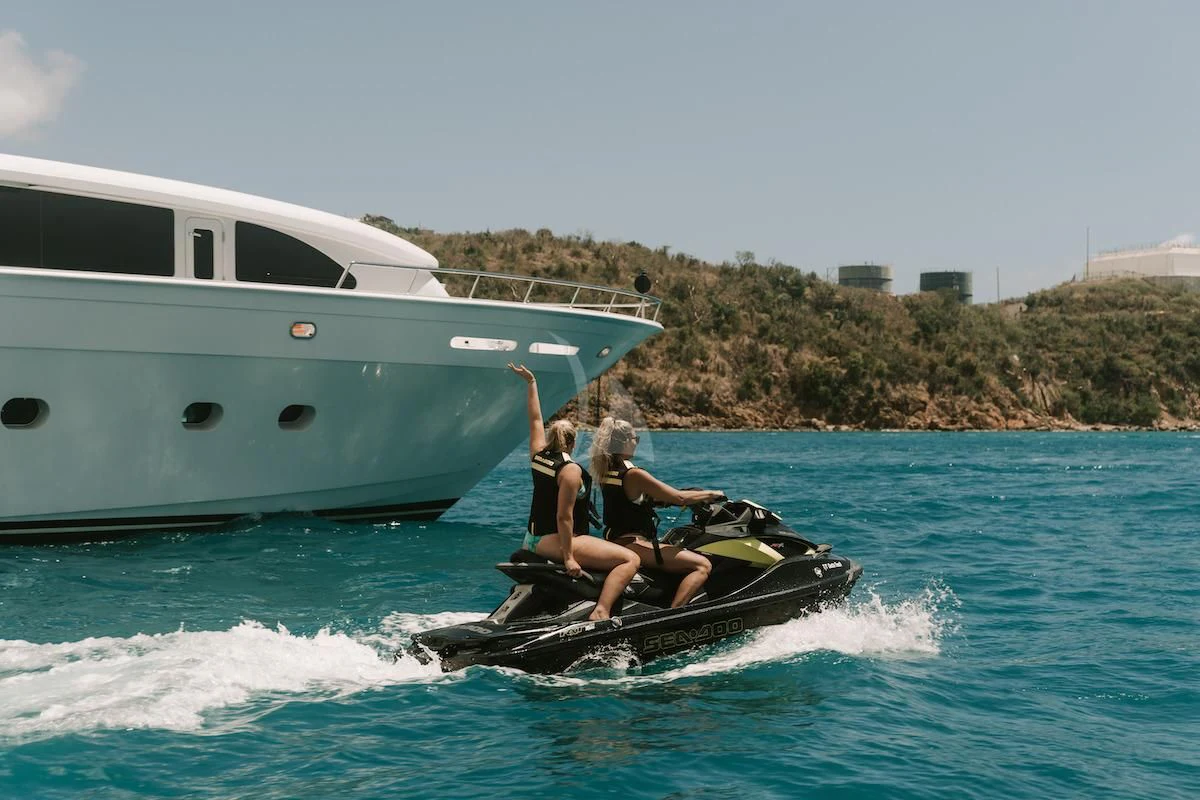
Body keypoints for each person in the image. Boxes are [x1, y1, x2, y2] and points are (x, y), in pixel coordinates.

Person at [507, 363, 639, 621]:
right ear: (574, 441)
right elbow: (564, 518)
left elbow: (534, 419)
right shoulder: (570, 471)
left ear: (552, 437)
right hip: (556, 541)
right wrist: (569, 558)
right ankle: (601, 611)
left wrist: (531, 382)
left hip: (532, 538)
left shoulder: (539, 455)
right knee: (630, 560)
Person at [589, 417, 724, 607]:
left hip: (615, 540)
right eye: (636, 438)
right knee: (702, 565)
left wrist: (656, 502)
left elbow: (627, 502)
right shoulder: (634, 474)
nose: (637, 443)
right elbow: (679, 498)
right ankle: (673, 616)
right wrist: (712, 493)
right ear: (626, 441)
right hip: (633, 544)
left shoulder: (606, 471)